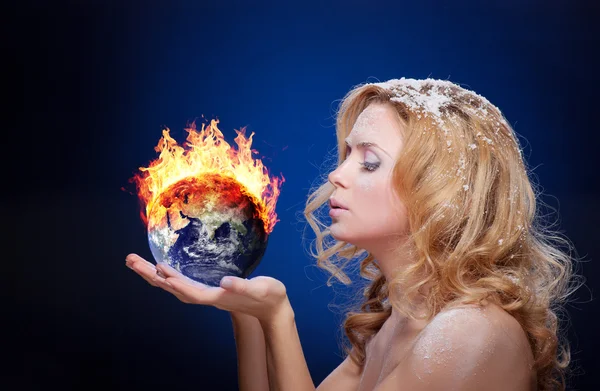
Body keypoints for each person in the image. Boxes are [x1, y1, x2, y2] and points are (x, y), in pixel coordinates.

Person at [125, 77, 582, 391]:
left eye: (368, 161)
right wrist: (250, 315)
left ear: (438, 192)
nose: (336, 176)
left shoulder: (469, 334)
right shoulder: (392, 328)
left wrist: (278, 317)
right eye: (346, 155)